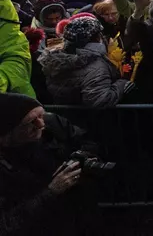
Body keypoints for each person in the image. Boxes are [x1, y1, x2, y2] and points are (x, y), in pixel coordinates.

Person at [0, 94, 101, 235]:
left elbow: (88, 142)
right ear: (6, 134)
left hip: (77, 214)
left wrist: (79, 159)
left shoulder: (52, 123)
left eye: (41, 115)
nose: (41, 125)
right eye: (30, 122)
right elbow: (6, 224)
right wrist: (52, 191)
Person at [40, 15, 133, 108]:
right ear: (98, 37)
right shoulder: (96, 66)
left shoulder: (57, 57)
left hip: (65, 116)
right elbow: (99, 100)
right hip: (89, 120)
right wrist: (121, 84)